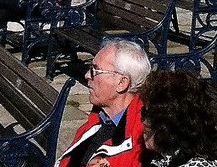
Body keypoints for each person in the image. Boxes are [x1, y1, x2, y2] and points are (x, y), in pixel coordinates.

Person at [59, 39, 150, 167]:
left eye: (95, 71)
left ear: (121, 83)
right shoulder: (98, 119)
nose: (87, 75)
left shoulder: (142, 139)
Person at [140, 70, 217, 167]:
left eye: (148, 114)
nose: (144, 121)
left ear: (169, 125)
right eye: (143, 111)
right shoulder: (168, 157)